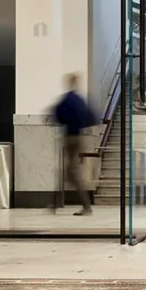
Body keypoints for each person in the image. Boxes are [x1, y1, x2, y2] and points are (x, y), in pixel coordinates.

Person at [50, 73, 97, 216]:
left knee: (72, 172)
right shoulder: (81, 100)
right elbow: (91, 117)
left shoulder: (68, 99)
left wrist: (64, 122)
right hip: (79, 136)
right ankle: (57, 203)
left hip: (71, 137)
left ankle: (86, 205)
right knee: (70, 169)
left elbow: (57, 114)